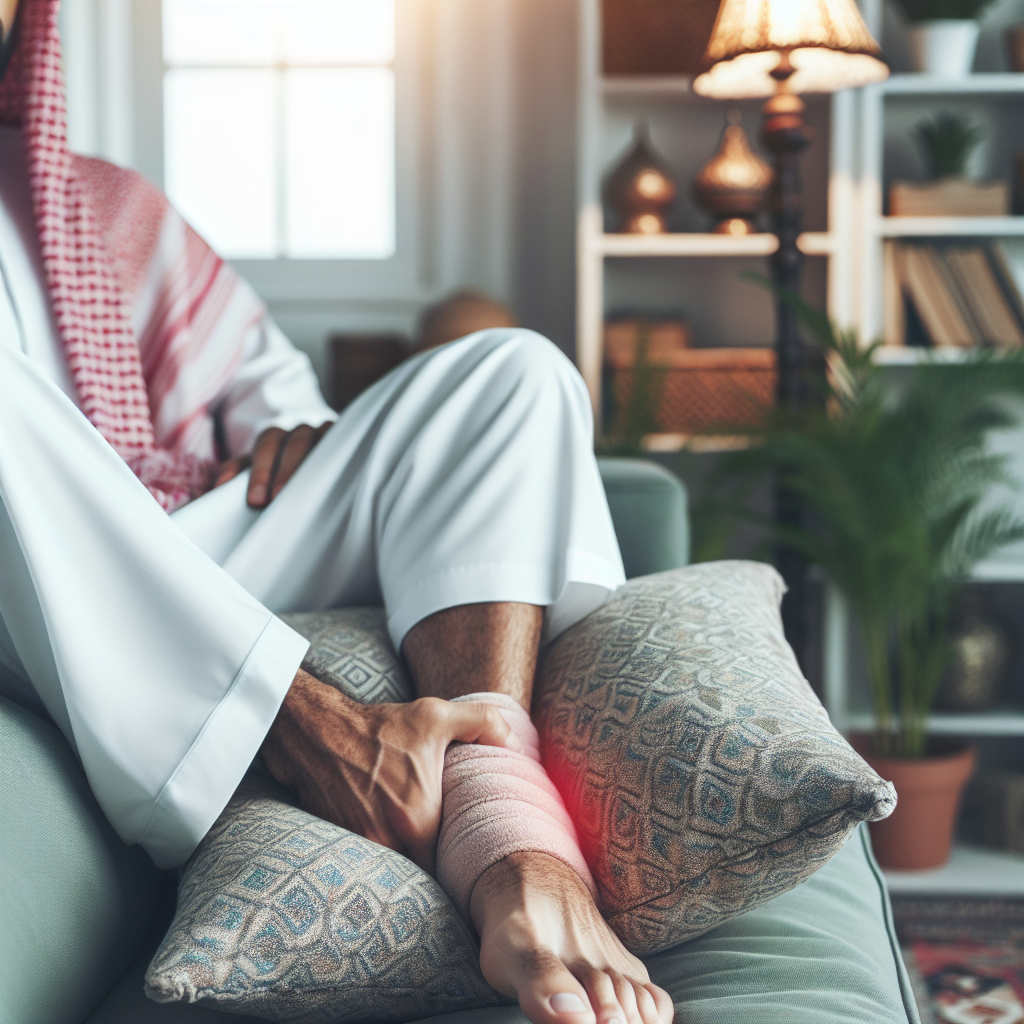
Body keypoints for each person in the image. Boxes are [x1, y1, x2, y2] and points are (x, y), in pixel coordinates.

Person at [0, 2, 673, 1023]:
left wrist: (298, 432)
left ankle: (506, 833)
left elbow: (282, 411)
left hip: (186, 554)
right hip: (30, 608)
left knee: (512, 373)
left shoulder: (95, 205)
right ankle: (310, 730)